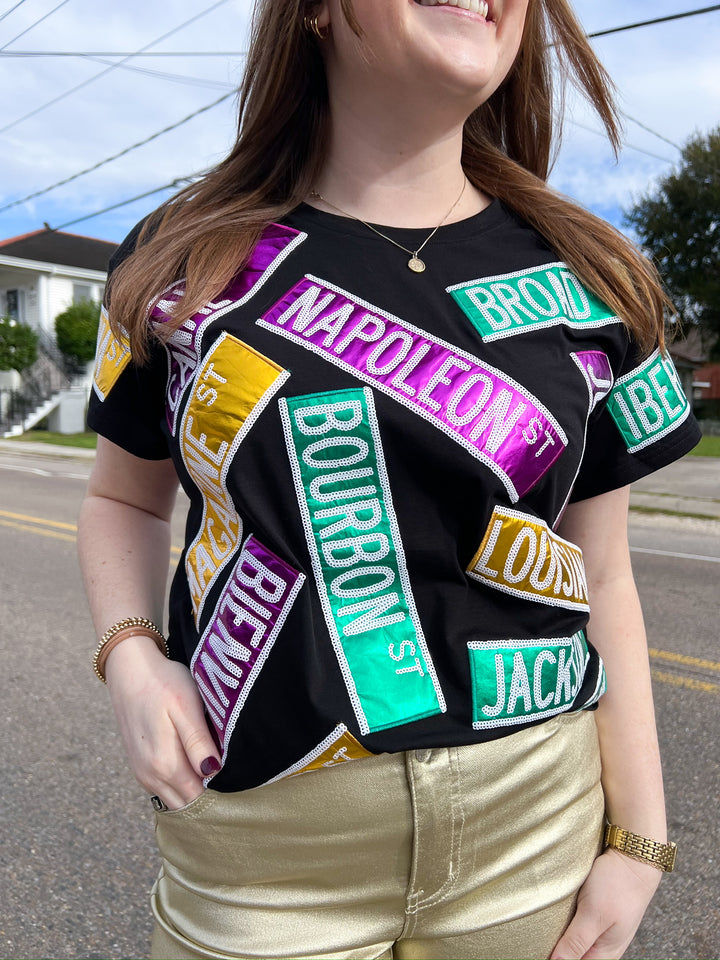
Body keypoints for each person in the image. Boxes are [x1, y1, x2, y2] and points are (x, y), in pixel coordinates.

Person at [78, 1, 699, 958]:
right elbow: (121, 498)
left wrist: (640, 840)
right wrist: (129, 653)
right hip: (268, 844)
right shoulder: (188, 255)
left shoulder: (592, 278)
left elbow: (602, 574)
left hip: (535, 823)